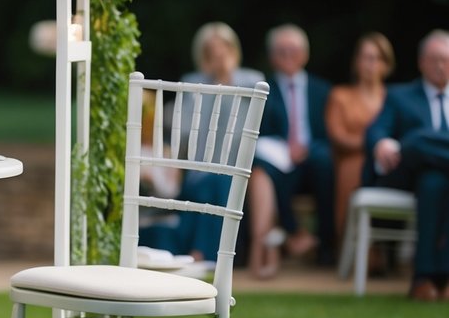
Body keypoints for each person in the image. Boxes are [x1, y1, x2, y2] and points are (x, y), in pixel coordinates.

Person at [164, 23, 266, 262]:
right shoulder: (192, 82)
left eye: (223, 49)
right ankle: (207, 255)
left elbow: (251, 125)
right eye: (211, 52)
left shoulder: (253, 81)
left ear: (233, 50)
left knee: (219, 181)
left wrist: (227, 81)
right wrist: (214, 85)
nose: (218, 56)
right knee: (209, 183)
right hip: (200, 167)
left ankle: (200, 254)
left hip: (238, 166)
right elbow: (185, 131)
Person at [364, 29, 449, 301]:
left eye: (446, 60)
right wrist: (381, 143)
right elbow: (376, 129)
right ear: (422, 62)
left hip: (436, 179)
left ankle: (427, 278)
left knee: (434, 181)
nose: (441, 66)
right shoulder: (399, 95)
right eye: (435, 59)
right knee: (415, 143)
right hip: (403, 172)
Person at [251, 24, 336, 272]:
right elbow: (260, 132)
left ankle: (326, 245)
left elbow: (329, 133)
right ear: (272, 56)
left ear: (305, 54)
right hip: (280, 161)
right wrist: (285, 148)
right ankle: (293, 234)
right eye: (282, 51)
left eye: (294, 50)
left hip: (314, 157)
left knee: (324, 161)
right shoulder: (263, 90)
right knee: (265, 169)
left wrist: (305, 149)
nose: (288, 55)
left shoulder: (323, 90)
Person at [325, 33, 394, 245]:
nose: (371, 64)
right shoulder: (340, 95)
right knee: (355, 166)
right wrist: (374, 147)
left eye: (376, 58)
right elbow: (337, 136)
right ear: (356, 62)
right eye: (366, 57)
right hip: (351, 160)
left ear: (386, 64)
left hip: (389, 161)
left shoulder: (395, 98)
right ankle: (353, 244)